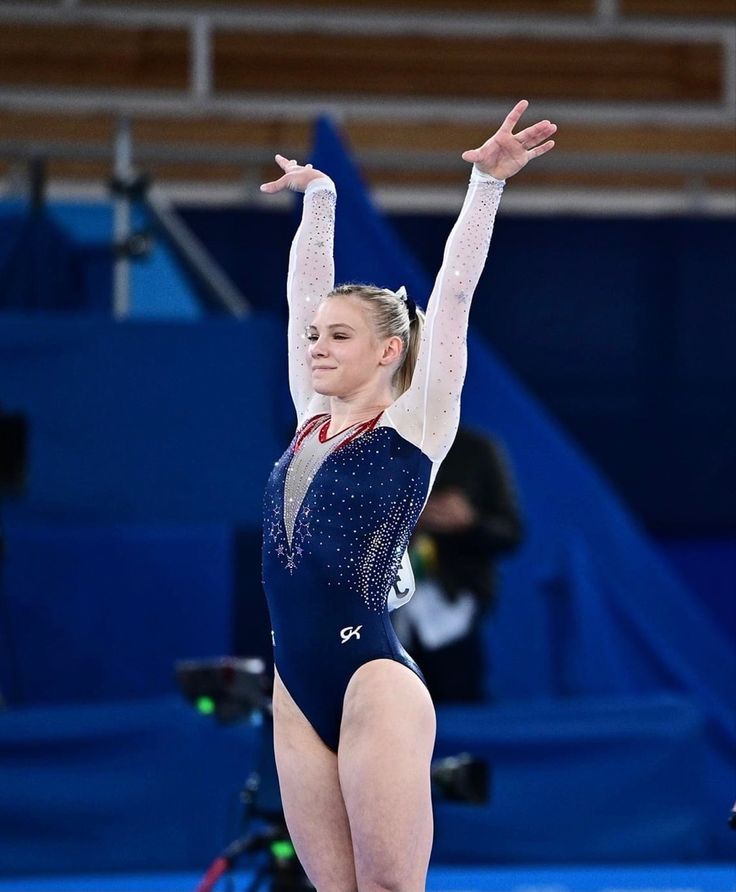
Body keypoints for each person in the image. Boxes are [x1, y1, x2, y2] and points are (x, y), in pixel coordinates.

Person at [259, 100, 556, 892]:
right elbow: (303, 295)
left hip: (372, 681)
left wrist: (485, 185)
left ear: (390, 350)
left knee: (389, 888)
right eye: (315, 337)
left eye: (338, 337)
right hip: (295, 683)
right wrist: (318, 201)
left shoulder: (416, 425)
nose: (317, 346)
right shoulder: (309, 418)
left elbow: (453, 298)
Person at [392, 426, 524, 703]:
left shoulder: (476, 449)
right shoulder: (364, 448)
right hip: (377, 614)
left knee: (460, 706)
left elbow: (510, 532)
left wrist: (469, 521)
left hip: (452, 612)